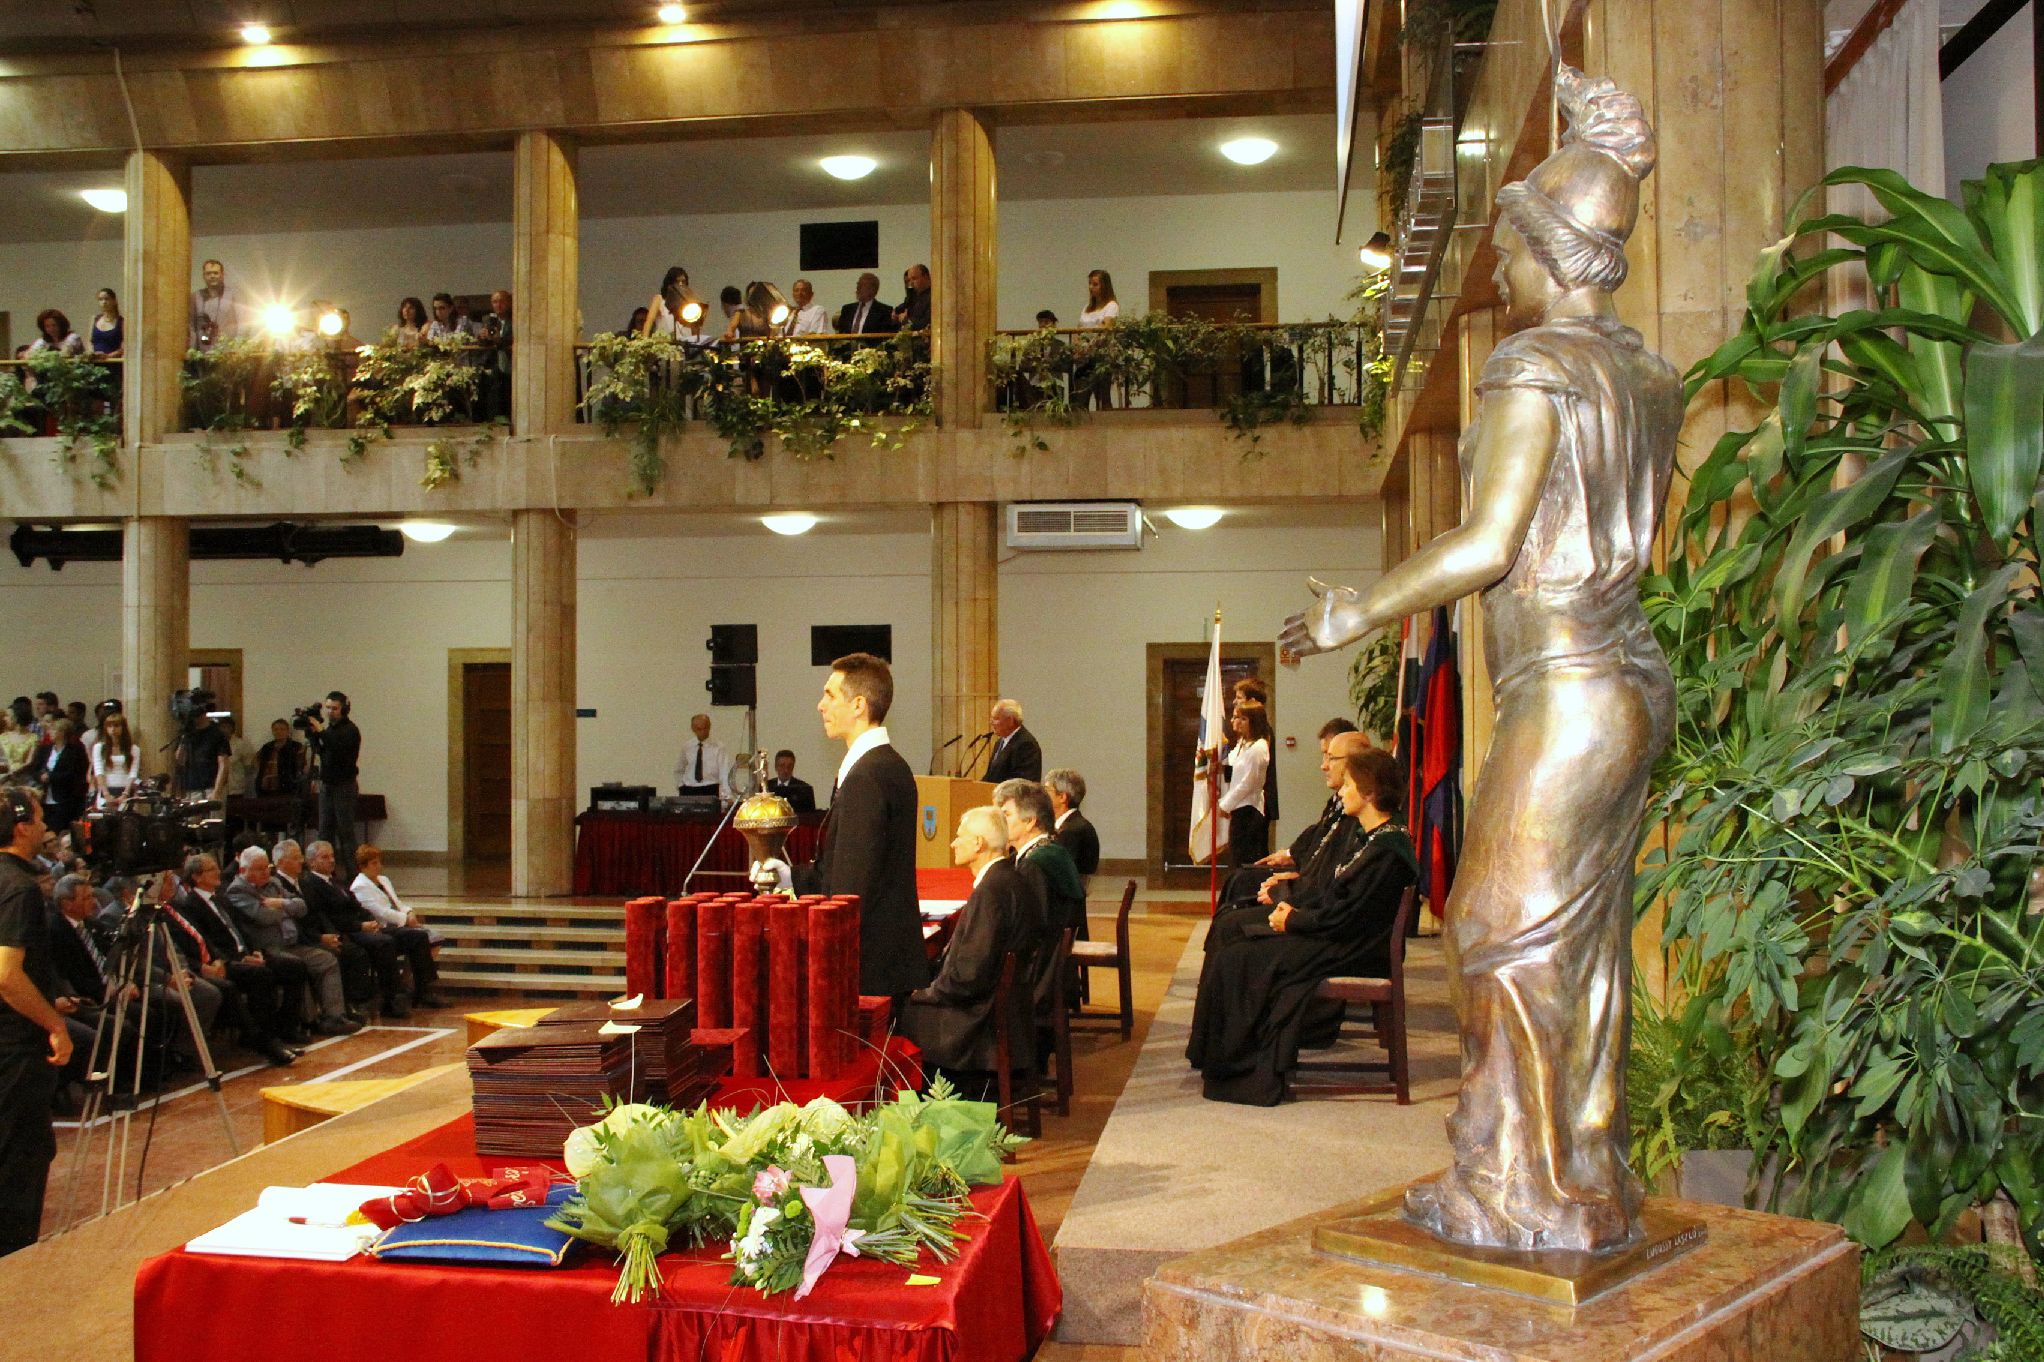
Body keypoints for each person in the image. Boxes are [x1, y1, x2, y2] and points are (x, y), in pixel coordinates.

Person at [1280, 66, 1677, 1253]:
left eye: (1509, 251)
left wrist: (1358, 612)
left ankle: (1515, 1190)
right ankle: (1580, 1169)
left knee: (1496, 933)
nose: (1499, 272)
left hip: (1565, 684)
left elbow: (1490, 542)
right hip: (1629, 681)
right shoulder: (1648, 376)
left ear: (1555, 253)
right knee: (1580, 943)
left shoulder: (1535, 366)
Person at [1186, 748, 1417, 1106]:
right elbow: (1339, 900)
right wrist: (1292, 910)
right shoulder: (1374, 837)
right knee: (1238, 947)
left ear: (1370, 792)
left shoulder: (1387, 850)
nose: (1341, 791)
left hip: (1354, 948)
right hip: (1340, 935)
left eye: (1349, 784)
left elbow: (1346, 917)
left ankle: (1241, 1069)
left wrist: (1293, 919)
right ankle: (1227, 1060)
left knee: (1239, 958)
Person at [765, 653, 929, 1000]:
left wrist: (824, 954)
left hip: (868, 966)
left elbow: (851, 888)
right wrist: (791, 877)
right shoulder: (885, 765)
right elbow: (846, 865)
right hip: (884, 957)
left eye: (830, 694)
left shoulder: (867, 775)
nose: (820, 705)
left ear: (858, 705)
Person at [897, 806, 1043, 1097]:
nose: (953, 843)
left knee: (901, 1012)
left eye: (959, 836)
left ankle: (930, 1106)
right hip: (1006, 1008)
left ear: (978, 843)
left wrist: (925, 993)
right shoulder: (1010, 879)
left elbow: (968, 976)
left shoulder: (991, 891)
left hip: (980, 1018)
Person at [0, 790, 69, 1256]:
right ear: (22, 827)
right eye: (41, 818)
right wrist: (55, 1025)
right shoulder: (19, 888)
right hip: (16, 1048)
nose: (46, 827)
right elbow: (7, 975)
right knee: (19, 1164)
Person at [163, 853, 300, 1065]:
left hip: (239, 954)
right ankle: (263, 1039)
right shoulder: (190, 905)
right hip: (222, 960)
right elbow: (203, 941)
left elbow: (239, 929)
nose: (218, 872)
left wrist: (254, 951)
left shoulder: (219, 898)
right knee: (259, 976)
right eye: (211, 869)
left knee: (293, 967)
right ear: (197, 876)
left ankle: (284, 1030)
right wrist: (224, 960)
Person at [223, 846, 356, 1036]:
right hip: (269, 948)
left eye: (267, 867)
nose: (265, 872)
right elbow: (263, 917)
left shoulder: (274, 883)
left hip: (294, 943)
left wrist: (280, 903)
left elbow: (302, 907)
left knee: (327, 960)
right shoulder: (237, 891)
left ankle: (334, 1017)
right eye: (259, 869)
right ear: (244, 870)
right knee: (296, 965)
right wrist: (287, 909)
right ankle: (307, 1021)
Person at [301, 840, 432, 1017]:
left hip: (362, 925)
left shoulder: (336, 881)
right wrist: (361, 925)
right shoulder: (312, 884)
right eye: (325, 857)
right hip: (347, 931)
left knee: (416, 936)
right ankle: (391, 999)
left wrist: (370, 920)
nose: (331, 860)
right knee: (384, 942)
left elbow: (357, 906)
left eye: (332, 856)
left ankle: (424, 992)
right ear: (311, 862)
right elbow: (331, 916)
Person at [270, 839, 373, 1015]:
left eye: (300, 857)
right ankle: (335, 1012)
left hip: (315, 934)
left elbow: (319, 914)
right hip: (298, 940)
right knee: (339, 955)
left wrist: (331, 934)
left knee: (347, 948)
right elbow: (294, 923)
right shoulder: (277, 885)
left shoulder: (302, 883)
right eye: (295, 858)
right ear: (281, 862)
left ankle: (347, 1007)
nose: (301, 861)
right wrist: (320, 938)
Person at [1217, 699, 1272, 867]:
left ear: (1254, 722)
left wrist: (1225, 805)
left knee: (1245, 860)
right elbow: (1231, 764)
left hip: (1249, 811)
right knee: (1236, 858)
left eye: (1243, 718)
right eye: (1236, 717)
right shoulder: (1243, 743)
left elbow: (1247, 783)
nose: (1236, 722)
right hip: (1239, 809)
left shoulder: (1258, 748)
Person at [1044, 768, 1099, 885]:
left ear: (1062, 797)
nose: (1042, 795)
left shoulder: (1072, 831)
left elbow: (1059, 872)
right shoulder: (1071, 826)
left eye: (1047, 790)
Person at [37, 718, 88, 834]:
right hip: (45, 796)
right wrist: (40, 776)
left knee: (59, 830)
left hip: (65, 798)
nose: (50, 732)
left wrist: (51, 777)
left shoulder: (75, 751)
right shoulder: (45, 749)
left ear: (63, 733)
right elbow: (36, 767)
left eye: (54, 730)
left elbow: (74, 773)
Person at [172, 705, 231, 804]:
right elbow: (180, 760)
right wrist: (183, 738)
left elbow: (223, 765)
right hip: (191, 789)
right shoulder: (187, 735)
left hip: (211, 788)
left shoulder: (217, 734)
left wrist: (217, 791)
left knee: (212, 813)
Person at [672, 713, 731, 803]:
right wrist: (680, 785)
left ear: (709, 727)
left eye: (705, 728)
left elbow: (724, 772)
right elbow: (679, 769)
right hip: (689, 789)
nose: (703, 732)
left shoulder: (719, 747)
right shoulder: (687, 747)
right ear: (693, 729)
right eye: (699, 729)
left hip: (710, 788)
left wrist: (727, 795)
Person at [981, 699, 1042, 784]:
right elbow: (991, 776)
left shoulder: (1026, 744)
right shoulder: (999, 742)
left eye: (996, 719)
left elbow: (1022, 781)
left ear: (1010, 721)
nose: (991, 722)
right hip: (996, 791)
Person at [188, 259, 245, 350]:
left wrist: (237, 349)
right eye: (208, 273)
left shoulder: (233, 295)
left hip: (227, 351)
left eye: (215, 273)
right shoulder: (195, 297)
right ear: (204, 276)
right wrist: (192, 350)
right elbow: (191, 326)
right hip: (202, 352)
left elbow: (242, 323)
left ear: (222, 275)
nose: (212, 276)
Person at [89, 709, 138, 809]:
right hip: (106, 790)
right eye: (109, 726)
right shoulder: (99, 748)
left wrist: (125, 794)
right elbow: (99, 771)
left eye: (116, 726)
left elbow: (133, 772)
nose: (113, 729)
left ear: (123, 728)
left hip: (126, 790)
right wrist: (106, 794)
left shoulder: (134, 749)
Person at [477, 289, 513, 420]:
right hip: (492, 363)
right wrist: (482, 336)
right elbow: (482, 343)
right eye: (495, 302)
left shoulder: (515, 320)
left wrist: (499, 340)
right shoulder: (489, 320)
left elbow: (513, 340)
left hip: (509, 364)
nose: (498, 305)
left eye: (502, 301)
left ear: (509, 303)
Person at [254, 719, 305, 798]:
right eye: (276, 729)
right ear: (272, 731)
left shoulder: (296, 747)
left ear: (288, 731)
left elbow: (302, 766)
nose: (279, 732)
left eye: (282, 729)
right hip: (266, 789)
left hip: (288, 789)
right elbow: (256, 760)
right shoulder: (266, 747)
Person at [641, 267, 694, 339]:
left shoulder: (690, 304)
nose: (681, 284)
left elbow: (694, 328)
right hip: (665, 343)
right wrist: (644, 340)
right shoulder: (660, 300)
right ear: (670, 283)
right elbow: (649, 321)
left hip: (686, 343)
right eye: (677, 281)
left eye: (683, 281)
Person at [836, 273, 894, 337]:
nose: (857, 288)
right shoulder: (847, 309)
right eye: (858, 285)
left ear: (872, 290)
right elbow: (841, 334)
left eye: (861, 285)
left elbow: (884, 337)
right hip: (847, 343)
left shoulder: (884, 311)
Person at [765, 750, 816, 815]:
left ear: (793, 767)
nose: (786, 770)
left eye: (789, 766)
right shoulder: (766, 787)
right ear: (776, 767)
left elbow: (810, 815)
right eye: (782, 765)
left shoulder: (804, 789)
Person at [219, 716, 257, 798]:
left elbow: (249, 766)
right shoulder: (216, 745)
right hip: (219, 787)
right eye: (222, 727)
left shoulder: (241, 744)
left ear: (232, 728)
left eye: (227, 727)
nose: (225, 730)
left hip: (236, 787)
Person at [0, 711, 36, 787]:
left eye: (8, 716)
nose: (5, 719)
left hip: (23, 779)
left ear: (16, 719)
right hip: (4, 777)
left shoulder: (33, 738)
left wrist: (14, 772)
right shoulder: (3, 737)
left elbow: (29, 762)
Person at [893, 264, 932, 331]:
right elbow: (903, 307)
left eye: (914, 279)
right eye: (909, 280)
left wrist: (906, 320)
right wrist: (895, 313)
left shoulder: (934, 296)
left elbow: (926, 322)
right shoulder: (913, 296)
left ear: (925, 277)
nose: (910, 283)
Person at [88, 288, 124, 358]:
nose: (104, 302)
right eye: (100, 299)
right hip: (95, 361)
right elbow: (90, 341)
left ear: (114, 301)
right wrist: (92, 353)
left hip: (113, 361)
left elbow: (124, 347)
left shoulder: (121, 321)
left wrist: (108, 356)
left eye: (107, 299)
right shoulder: (95, 319)